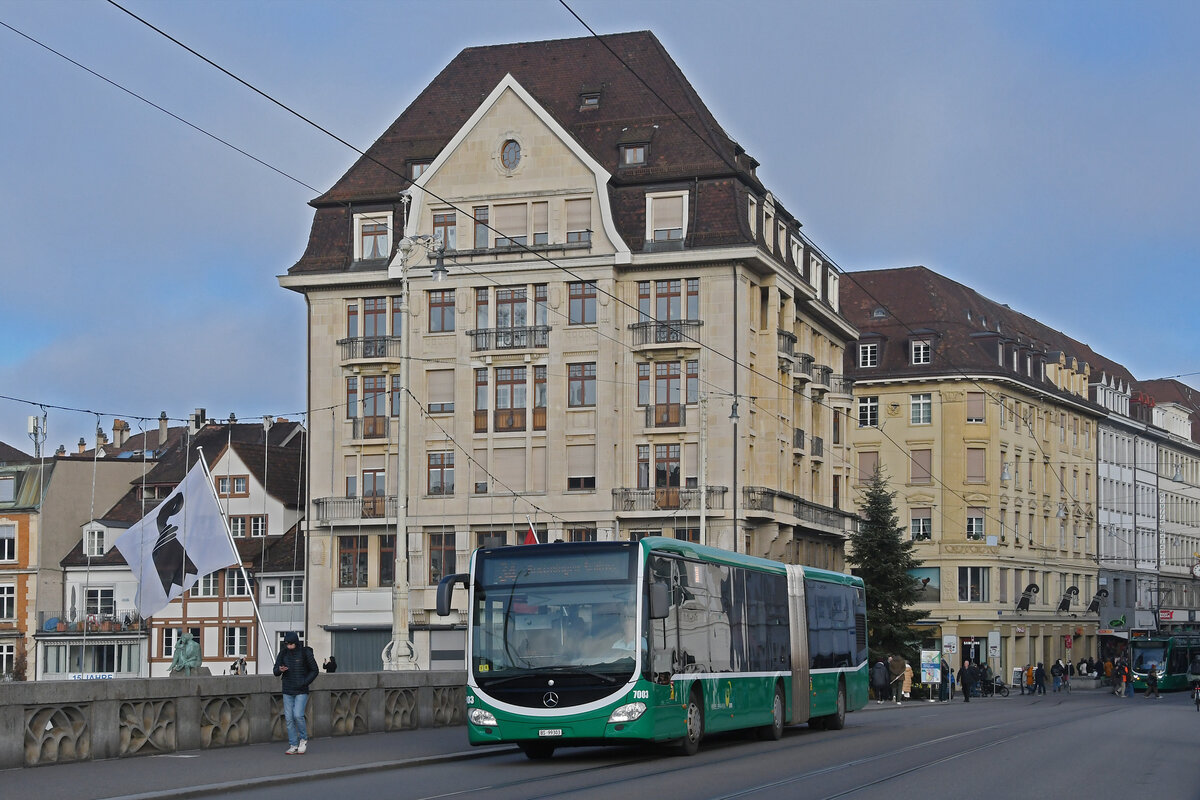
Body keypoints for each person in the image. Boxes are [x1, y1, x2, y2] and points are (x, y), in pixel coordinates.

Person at [274, 631, 319, 755]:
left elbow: (315, 670)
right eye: (287, 644)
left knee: (298, 715)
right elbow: (275, 671)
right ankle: (293, 744)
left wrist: (304, 682)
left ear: (296, 643)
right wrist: (280, 669)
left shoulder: (305, 653)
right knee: (288, 718)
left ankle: (303, 739)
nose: (289, 647)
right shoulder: (283, 653)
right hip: (287, 689)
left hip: (301, 690)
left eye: (291, 644)